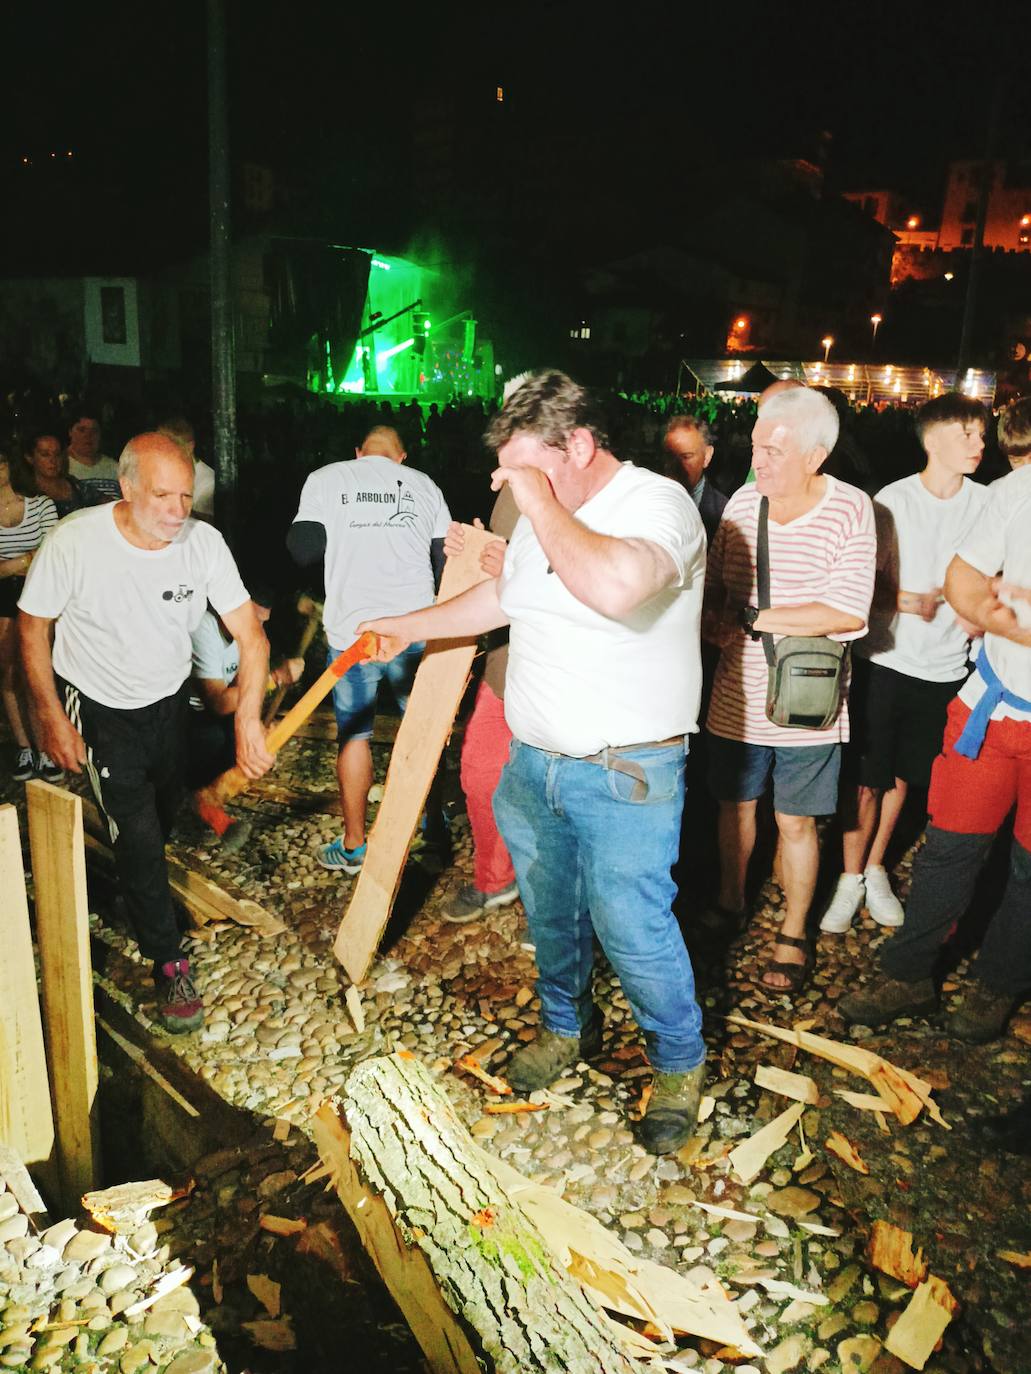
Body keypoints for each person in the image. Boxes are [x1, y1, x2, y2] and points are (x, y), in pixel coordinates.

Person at [358, 371, 709, 1154]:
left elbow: (616, 587)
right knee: (550, 918)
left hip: (624, 773)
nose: (511, 486)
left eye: (525, 468)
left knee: (633, 928)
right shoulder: (541, 516)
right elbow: (504, 600)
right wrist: (407, 624)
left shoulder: (657, 505)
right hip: (533, 764)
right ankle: (565, 1027)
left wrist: (538, 501)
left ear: (577, 445)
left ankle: (678, 1062)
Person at [19, 433, 273, 1033]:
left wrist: (248, 719)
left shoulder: (202, 544)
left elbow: (252, 637)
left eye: (185, 496)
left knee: (159, 819)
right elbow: (31, 630)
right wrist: (51, 717)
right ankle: (167, 963)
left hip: (168, 702)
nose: (177, 511)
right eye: (162, 495)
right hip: (100, 706)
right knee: (136, 832)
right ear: (126, 487)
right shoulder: (74, 542)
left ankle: (135, 885)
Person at [840, 464, 1031, 1044]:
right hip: (989, 711)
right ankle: (908, 974)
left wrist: (1009, 609)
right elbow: (963, 580)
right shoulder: (1020, 488)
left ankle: (997, 983)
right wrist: (1003, 615)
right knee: (947, 850)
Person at [703, 387, 875, 992]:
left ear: (815, 456)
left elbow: (847, 611)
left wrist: (753, 619)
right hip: (736, 696)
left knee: (797, 822)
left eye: (774, 451)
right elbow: (717, 586)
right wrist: (715, 619)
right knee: (734, 806)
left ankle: (794, 931)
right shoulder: (742, 502)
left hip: (808, 703)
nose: (758, 462)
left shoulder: (851, 509)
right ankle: (730, 901)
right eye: (755, 447)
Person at [821, 395, 989, 933]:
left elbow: (994, 578)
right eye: (967, 434)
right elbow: (856, 583)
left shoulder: (987, 503)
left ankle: (875, 868)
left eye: (981, 434)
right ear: (932, 440)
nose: (980, 444)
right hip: (884, 660)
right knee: (866, 779)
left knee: (901, 777)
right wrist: (904, 600)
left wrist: (980, 614)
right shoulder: (892, 500)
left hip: (946, 667)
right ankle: (849, 878)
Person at [287, 424, 451, 872]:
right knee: (422, 732)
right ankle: (432, 833)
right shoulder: (425, 485)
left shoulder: (326, 478)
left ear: (359, 452)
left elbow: (303, 550)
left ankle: (355, 845)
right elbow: (443, 562)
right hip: (414, 631)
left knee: (354, 736)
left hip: (353, 635)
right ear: (402, 456)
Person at [439, 488, 519, 924]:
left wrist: (518, 568)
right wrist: (469, 552)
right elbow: (492, 579)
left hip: (562, 677)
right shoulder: (510, 488)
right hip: (504, 666)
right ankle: (495, 879)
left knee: (558, 794)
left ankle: (564, 918)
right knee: (479, 772)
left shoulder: (585, 482)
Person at [186, 585, 303, 848]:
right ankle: (199, 802)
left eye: (263, 622)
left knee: (254, 744)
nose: (257, 628)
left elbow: (244, 690)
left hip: (219, 716)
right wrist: (273, 678)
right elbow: (218, 702)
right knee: (216, 742)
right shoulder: (203, 629)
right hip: (188, 718)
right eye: (254, 619)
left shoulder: (248, 631)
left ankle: (210, 795)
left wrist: (256, 726)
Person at [0, 447, 60, 781]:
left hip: (37, 594)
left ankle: (46, 746)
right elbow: (34, 556)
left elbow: (51, 553)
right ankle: (25, 746)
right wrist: (26, 559)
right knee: (10, 673)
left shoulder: (40, 505)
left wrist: (9, 565)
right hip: (3, 599)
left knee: (38, 671)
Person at [663, 415, 727, 542]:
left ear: (707, 456)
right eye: (670, 456)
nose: (676, 465)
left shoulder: (725, 514)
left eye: (686, 457)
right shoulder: (647, 502)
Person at [158, 417, 216, 519]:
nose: (159, 452)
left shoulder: (208, 484)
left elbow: (205, 524)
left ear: (189, 447)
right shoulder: (161, 474)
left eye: (168, 447)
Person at [65, 407, 121, 504]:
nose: (88, 436)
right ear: (70, 432)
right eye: (82, 430)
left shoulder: (115, 467)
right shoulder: (59, 466)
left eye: (94, 431)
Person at [26, 432, 85, 518]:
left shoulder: (74, 485)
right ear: (30, 458)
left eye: (57, 454)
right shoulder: (26, 493)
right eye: (45, 454)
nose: (53, 460)